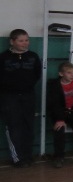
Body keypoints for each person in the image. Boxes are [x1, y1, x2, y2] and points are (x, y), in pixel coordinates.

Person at [0, 29, 42, 167]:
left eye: (27, 40)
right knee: (13, 126)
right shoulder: (3, 57)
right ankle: (17, 158)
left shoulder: (33, 56)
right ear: (12, 41)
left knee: (28, 125)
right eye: (21, 40)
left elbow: (37, 74)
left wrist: (26, 86)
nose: (25, 43)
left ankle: (27, 155)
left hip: (28, 95)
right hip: (9, 97)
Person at [46, 61, 73, 168]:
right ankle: (59, 157)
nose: (72, 75)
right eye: (69, 73)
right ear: (61, 74)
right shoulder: (54, 85)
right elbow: (54, 104)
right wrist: (59, 119)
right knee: (59, 129)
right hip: (60, 112)